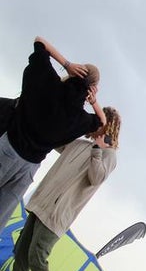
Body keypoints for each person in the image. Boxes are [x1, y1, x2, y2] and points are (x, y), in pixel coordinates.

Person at [0, 108, 120, 271]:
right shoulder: (78, 144)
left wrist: (98, 148)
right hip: (41, 203)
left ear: (110, 126)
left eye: (100, 120)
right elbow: (55, 141)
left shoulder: (109, 155)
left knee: (37, 256)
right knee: (22, 253)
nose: (95, 123)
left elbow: (96, 178)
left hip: (58, 213)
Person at [0, 36, 105, 223]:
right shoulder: (78, 119)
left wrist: (67, 64)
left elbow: (39, 42)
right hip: (28, 168)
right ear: (92, 88)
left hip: (8, 147)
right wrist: (94, 101)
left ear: (76, 72)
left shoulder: (47, 80)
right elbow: (101, 121)